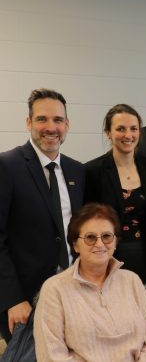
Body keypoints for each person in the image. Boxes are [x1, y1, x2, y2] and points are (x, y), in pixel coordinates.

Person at [0, 88, 85, 341]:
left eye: (58, 120)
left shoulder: (77, 171)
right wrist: (13, 299)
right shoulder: (7, 166)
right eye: (42, 119)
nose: (51, 127)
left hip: (73, 294)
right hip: (25, 301)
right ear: (28, 122)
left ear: (67, 125)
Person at [34, 203, 146, 361]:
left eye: (107, 236)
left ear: (115, 242)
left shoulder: (132, 281)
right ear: (75, 244)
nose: (100, 244)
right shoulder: (54, 289)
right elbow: (51, 356)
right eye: (90, 237)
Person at [85, 104, 146, 289]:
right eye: (120, 129)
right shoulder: (92, 171)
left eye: (134, 129)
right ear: (108, 133)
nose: (128, 135)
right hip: (108, 258)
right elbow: (87, 223)